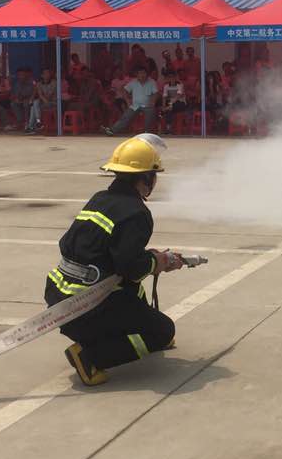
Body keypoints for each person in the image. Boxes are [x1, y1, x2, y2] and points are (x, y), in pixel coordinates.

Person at [45, 137, 188, 385]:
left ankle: (109, 335)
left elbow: (105, 253)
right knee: (163, 332)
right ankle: (90, 357)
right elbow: (131, 269)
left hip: (59, 299)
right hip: (88, 310)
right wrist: (159, 263)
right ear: (145, 178)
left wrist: (149, 258)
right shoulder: (137, 213)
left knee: (134, 293)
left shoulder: (99, 198)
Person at [105, 64, 159, 135]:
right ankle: (112, 130)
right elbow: (125, 90)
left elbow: (156, 93)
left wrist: (153, 102)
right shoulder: (133, 82)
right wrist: (127, 101)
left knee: (150, 114)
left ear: (146, 74)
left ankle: (147, 132)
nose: (142, 75)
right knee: (126, 116)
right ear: (137, 75)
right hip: (135, 105)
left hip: (147, 105)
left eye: (144, 73)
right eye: (140, 73)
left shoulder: (151, 82)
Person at [28, 67, 57, 133]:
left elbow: (50, 95)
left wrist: (45, 100)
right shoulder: (39, 84)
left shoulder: (54, 82)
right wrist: (44, 101)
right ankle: (38, 122)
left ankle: (31, 126)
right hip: (44, 103)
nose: (47, 74)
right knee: (35, 103)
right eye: (45, 73)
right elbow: (40, 94)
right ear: (42, 75)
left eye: (48, 73)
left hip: (53, 103)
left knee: (34, 105)